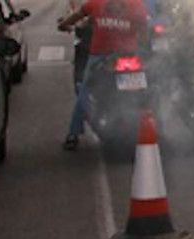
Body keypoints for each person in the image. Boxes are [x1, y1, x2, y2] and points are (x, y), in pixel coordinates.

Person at [57, 0, 149, 151]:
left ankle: (73, 135)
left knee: (84, 92)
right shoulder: (136, 4)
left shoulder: (97, 2)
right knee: (147, 87)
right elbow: (143, 28)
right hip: (129, 55)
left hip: (100, 55)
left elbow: (77, 16)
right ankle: (155, 126)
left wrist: (63, 25)